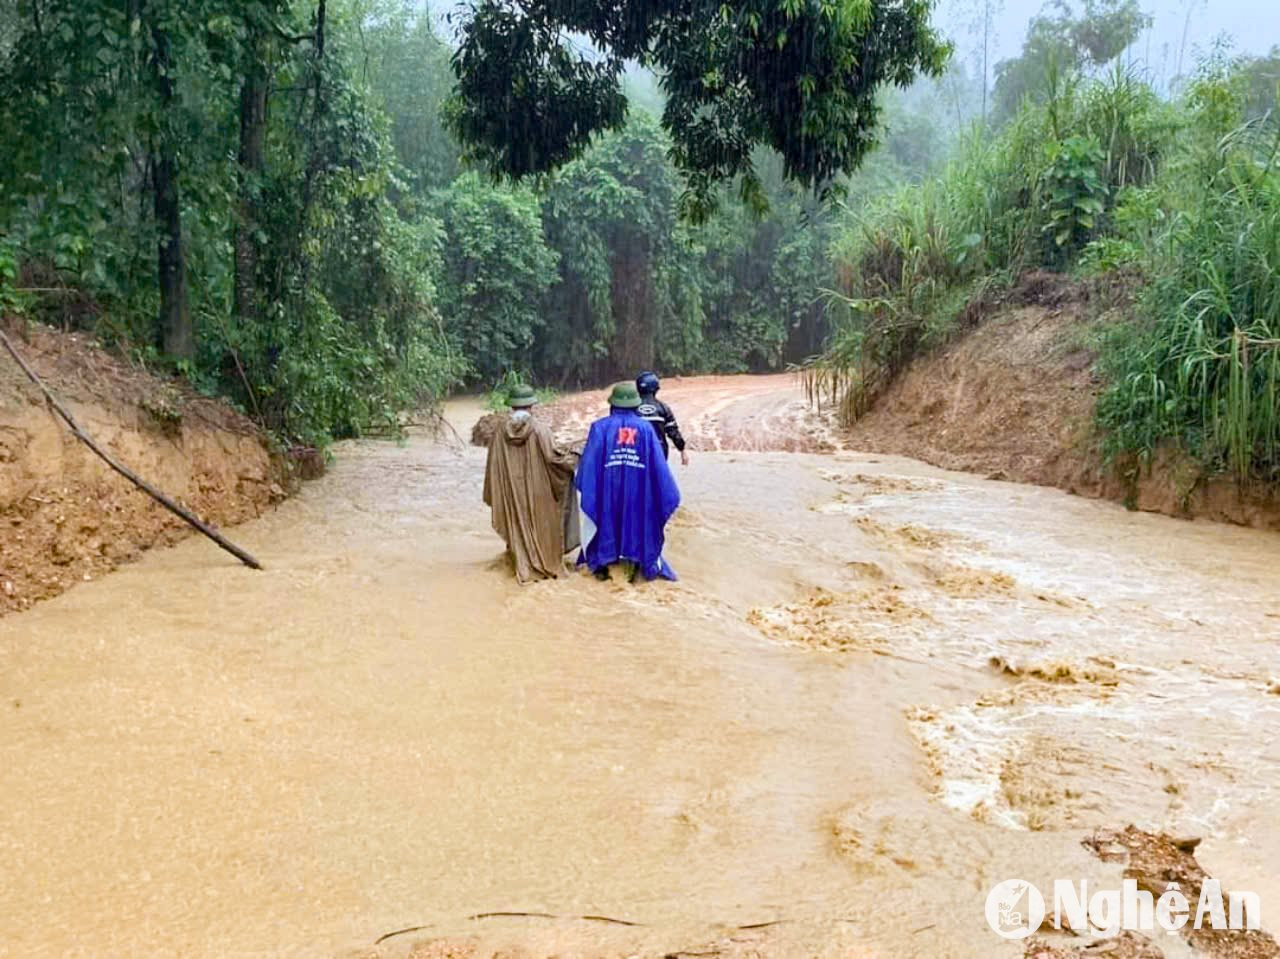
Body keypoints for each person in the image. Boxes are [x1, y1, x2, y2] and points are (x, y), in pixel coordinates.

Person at [575, 381, 681, 582]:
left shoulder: (599, 428)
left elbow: (588, 467)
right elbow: (658, 470)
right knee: (639, 520)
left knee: (605, 518)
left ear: (612, 405)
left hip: (607, 492)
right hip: (638, 493)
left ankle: (604, 563)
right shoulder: (646, 430)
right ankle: (637, 563)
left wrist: (591, 486)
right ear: (635, 405)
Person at [483, 384, 580, 583]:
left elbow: (492, 465)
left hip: (510, 490)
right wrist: (574, 458)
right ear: (531, 406)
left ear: (511, 406)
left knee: (516, 523)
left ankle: (519, 561)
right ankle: (543, 564)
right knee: (540, 527)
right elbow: (554, 459)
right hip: (539, 490)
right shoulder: (540, 429)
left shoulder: (499, 431)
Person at [635, 371, 689, 466]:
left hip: (635, 451)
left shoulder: (631, 409)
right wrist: (682, 450)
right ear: (656, 388)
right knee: (658, 479)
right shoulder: (663, 408)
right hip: (659, 451)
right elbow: (673, 431)